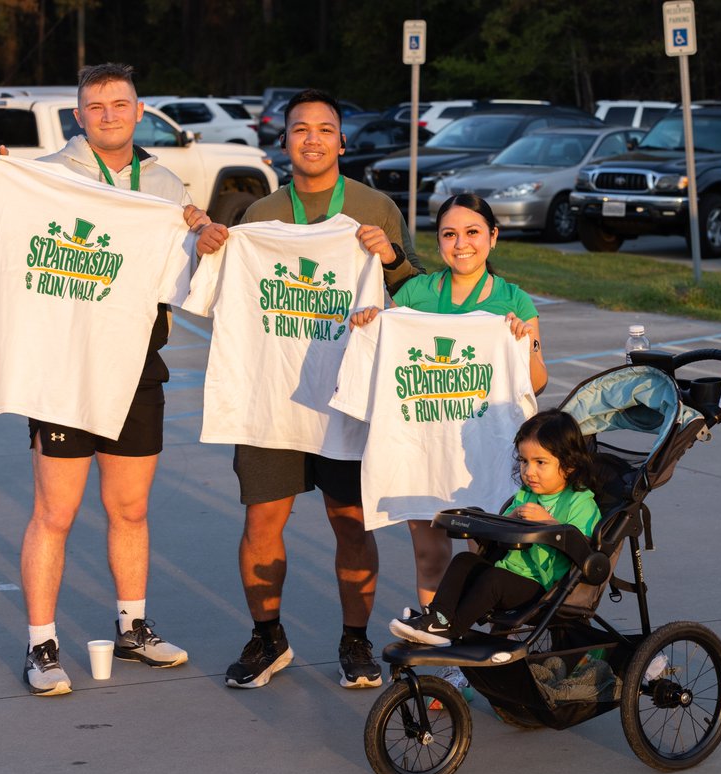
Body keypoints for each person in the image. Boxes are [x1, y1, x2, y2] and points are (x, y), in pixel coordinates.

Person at [0, 63, 211, 696]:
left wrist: (202, 236)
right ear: (78, 116)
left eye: (119, 104)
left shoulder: (164, 183)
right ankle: (41, 644)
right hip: (63, 368)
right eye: (95, 106)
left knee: (130, 508)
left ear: (139, 110)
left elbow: (187, 275)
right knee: (55, 511)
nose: (108, 115)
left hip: (137, 363)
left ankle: (132, 628)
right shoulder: (45, 175)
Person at [193, 88, 423, 690]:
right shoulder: (259, 216)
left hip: (348, 398)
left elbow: (416, 294)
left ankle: (355, 640)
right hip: (270, 398)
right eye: (300, 129)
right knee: (262, 522)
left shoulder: (375, 207)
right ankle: (267, 637)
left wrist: (390, 257)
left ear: (342, 142)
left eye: (324, 129)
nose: (312, 139)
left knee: (352, 522)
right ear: (284, 140)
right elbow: (217, 294)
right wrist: (209, 248)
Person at [350, 193, 549, 609]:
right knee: (430, 556)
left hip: (484, 453)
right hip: (423, 449)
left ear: (493, 237)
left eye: (473, 232)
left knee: (486, 557)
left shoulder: (514, 300)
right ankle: (437, 640)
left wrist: (524, 342)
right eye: (449, 234)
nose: (462, 244)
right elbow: (388, 351)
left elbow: (537, 382)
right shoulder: (415, 293)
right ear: (438, 241)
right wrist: (371, 323)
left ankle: (480, 641)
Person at [389, 410, 599, 646]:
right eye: (524, 461)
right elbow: (503, 533)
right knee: (465, 561)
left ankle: (452, 632)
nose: (529, 471)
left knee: (493, 579)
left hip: (545, 586)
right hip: (509, 571)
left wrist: (550, 524)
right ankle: (438, 618)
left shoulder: (580, 502)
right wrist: (509, 519)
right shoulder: (525, 495)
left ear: (569, 465)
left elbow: (584, 550)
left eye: (540, 462)